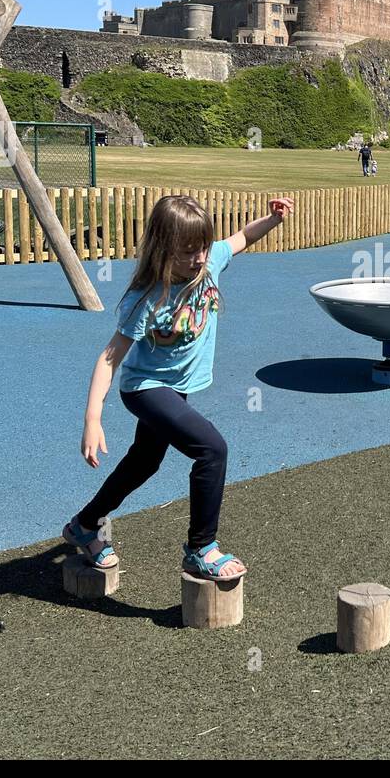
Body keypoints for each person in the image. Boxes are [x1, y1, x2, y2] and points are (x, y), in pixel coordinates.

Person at [65, 194, 293, 580]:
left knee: (144, 462)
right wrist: (92, 418)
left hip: (174, 389)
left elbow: (241, 238)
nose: (199, 258)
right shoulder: (148, 297)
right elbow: (110, 357)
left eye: (203, 247)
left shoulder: (210, 264)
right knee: (211, 449)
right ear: (163, 250)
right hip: (145, 389)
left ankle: (84, 525)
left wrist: (272, 220)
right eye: (188, 252)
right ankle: (201, 548)